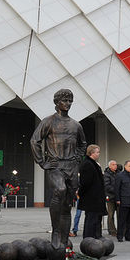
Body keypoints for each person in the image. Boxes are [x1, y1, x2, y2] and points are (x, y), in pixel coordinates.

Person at [30, 89, 87, 250]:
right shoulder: (48, 121)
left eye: (70, 101)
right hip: (55, 165)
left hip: (71, 166)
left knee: (68, 204)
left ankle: (64, 235)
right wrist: (42, 162)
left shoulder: (76, 125)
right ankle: (55, 231)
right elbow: (35, 141)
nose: (67, 103)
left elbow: (83, 144)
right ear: (57, 102)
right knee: (59, 190)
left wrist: (78, 157)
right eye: (64, 100)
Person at [77, 145, 107, 239]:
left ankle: (96, 236)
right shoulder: (87, 164)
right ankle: (89, 239)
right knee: (91, 219)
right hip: (91, 198)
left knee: (96, 219)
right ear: (91, 153)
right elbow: (85, 182)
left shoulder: (94, 164)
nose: (99, 154)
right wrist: (80, 193)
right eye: (97, 152)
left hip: (96, 198)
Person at [114, 160, 130, 242]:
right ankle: (120, 236)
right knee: (122, 220)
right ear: (125, 166)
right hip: (124, 201)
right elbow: (117, 188)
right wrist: (118, 199)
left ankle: (128, 236)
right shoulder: (120, 176)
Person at [103, 160, 119, 236]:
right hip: (110, 197)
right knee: (111, 214)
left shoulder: (118, 173)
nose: (115, 166)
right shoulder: (106, 174)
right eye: (113, 164)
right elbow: (107, 186)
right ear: (109, 166)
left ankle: (120, 229)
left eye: (116, 164)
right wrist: (117, 190)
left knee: (120, 214)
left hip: (118, 197)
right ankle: (112, 230)